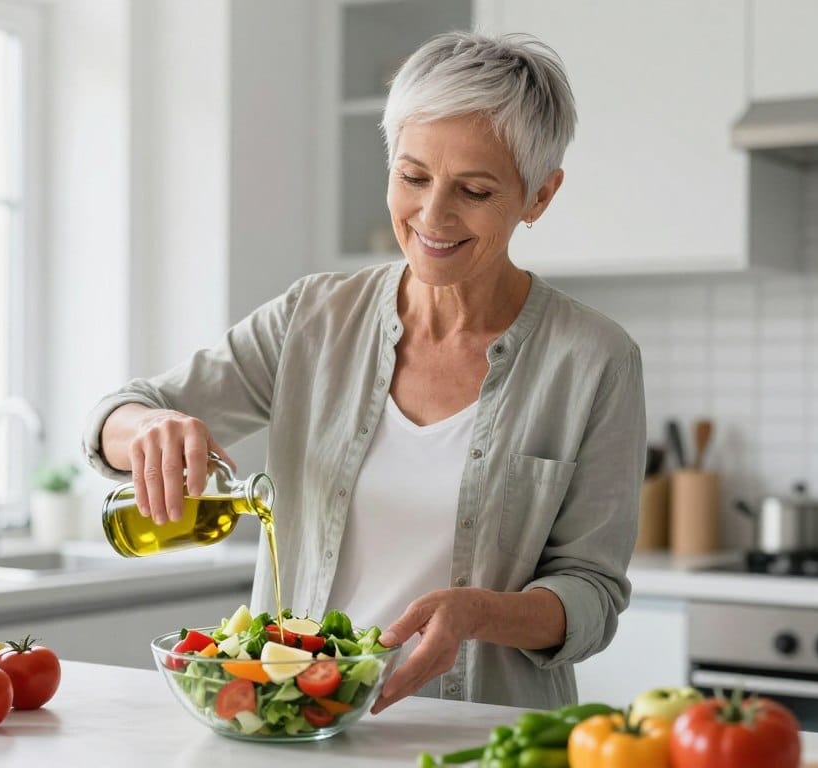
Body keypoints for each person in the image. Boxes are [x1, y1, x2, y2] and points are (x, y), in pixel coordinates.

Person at [82, 30, 645, 712]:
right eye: (412, 177)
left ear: (539, 196)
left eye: (474, 190)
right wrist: (149, 426)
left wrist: (481, 614)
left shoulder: (594, 359)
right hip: (298, 722)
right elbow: (124, 409)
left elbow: (591, 592)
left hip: (482, 735)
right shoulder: (314, 318)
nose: (432, 216)